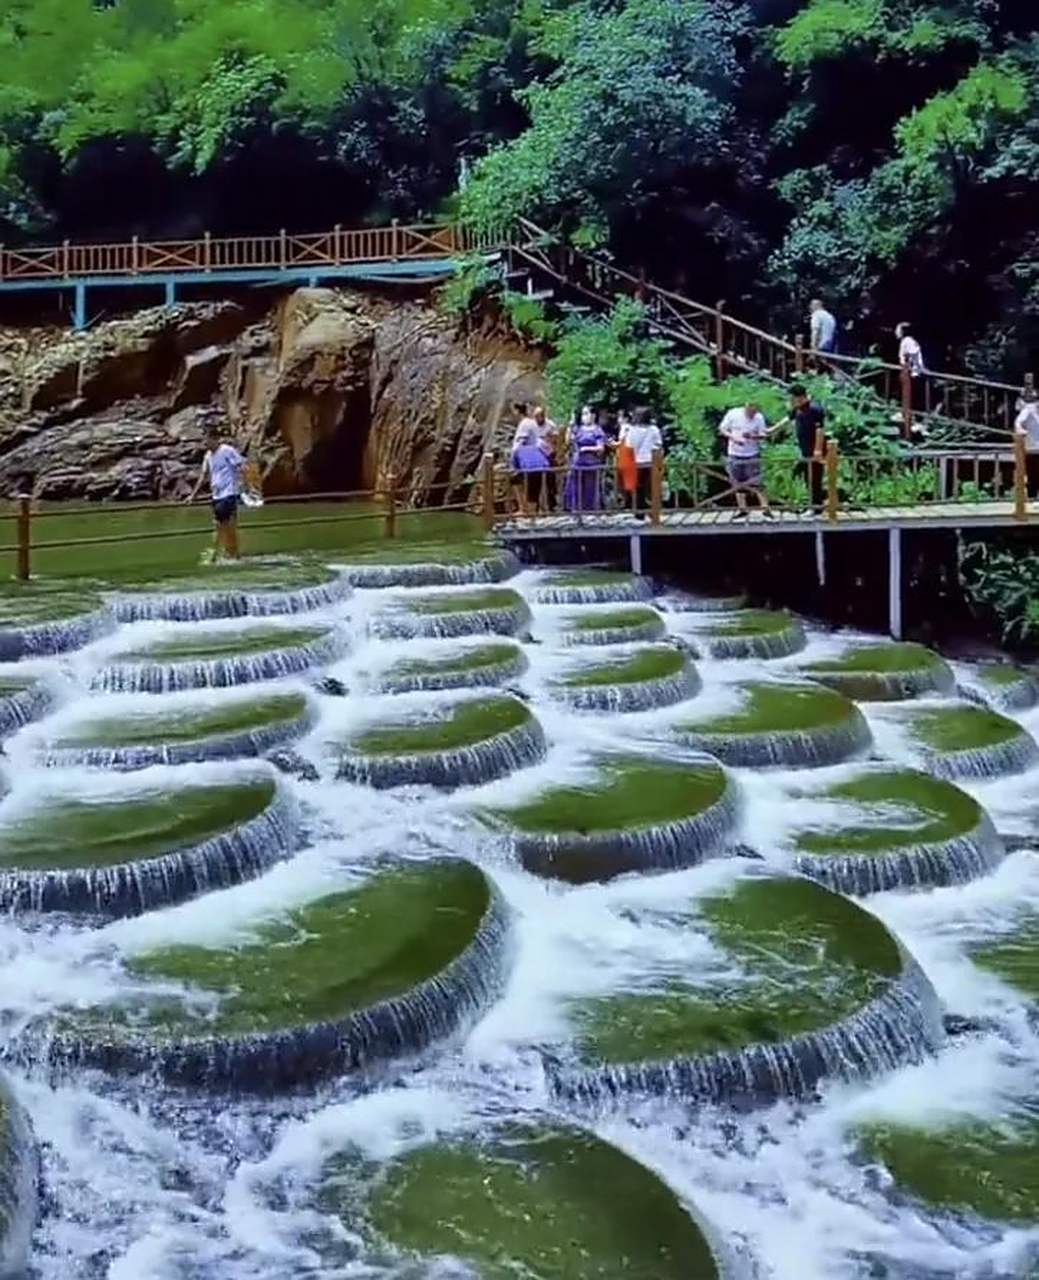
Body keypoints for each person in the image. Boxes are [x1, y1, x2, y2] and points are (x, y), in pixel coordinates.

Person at [187, 425, 247, 560]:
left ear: (215, 439)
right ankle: (227, 553)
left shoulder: (226, 451)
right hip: (217, 495)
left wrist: (244, 487)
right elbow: (204, 476)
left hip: (229, 493)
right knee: (222, 525)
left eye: (206, 440)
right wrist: (193, 495)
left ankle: (224, 554)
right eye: (203, 441)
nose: (204, 443)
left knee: (225, 525)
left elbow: (241, 466)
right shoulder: (208, 456)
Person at [718, 401, 776, 519]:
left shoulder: (759, 418)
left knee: (757, 481)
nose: (753, 414)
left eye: (755, 412)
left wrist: (752, 436)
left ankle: (765, 508)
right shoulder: (733, 414)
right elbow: (722, 429)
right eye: (751, 412)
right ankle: (742, 508)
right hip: (734, 453)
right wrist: (733, 437)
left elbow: (764, 435)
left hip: (752, 453)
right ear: (746, 407)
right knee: (737, 482)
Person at [776, 385, 826, 513]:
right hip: (805, 450)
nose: (790, 401)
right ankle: (812, 505)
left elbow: (820, 430)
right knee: (807, 478)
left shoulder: (815, 409)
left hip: (815, 449)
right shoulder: (798, 409)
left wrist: (818, 450)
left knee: (814, 479)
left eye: (792, 398)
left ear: (800, 397)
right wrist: (770, 431)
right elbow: (787, 420)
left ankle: (816, 507)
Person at [619, 406, 664, 517]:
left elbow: (629, 445)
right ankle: (653, 511)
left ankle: (639, 512)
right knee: (651, 487)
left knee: (638, 488)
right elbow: (658, 445)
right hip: (650, 461)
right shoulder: (653, 429)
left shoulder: (632, 430)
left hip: (637, 461)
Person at [564, 406, 607, 512]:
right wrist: (570, 425)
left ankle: (591, 509)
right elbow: (568, 441)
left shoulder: (597, 430)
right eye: (583, 414)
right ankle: (575, 509)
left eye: (586, 413)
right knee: (575, 486)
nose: (584, 417)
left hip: (591, 463)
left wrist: (587, 448)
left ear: (593, 416)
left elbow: (601, 448)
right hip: (578, 462)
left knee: (590, 488)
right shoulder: (579, 429)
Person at [532, 405, 560, 511]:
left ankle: (552, 504)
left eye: (540, 416)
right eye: (536, 416)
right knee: (536, 481)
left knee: (550, 480)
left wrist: (556, 452)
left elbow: (556, 440)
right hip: (535, 455)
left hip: (548, 454)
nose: (538, 418)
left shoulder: (550, 425)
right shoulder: (532, 425)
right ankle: (536, 506)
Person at [1015, 390, 1039, 499]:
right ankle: (1032, 498)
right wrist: (1020, 430)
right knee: (1033, 475)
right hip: (1033, 449)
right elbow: (1018, 422)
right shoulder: (1029, 409)